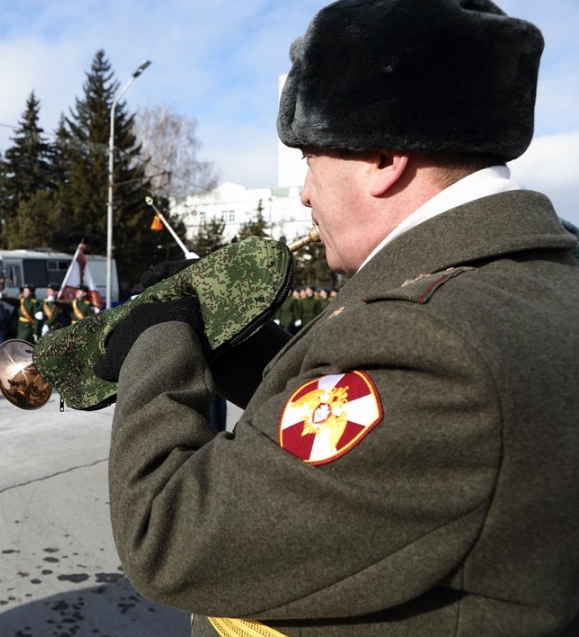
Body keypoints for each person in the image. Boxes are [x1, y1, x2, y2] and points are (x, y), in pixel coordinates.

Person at [98, 1, 579, 635]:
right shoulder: (532, 279)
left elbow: (170, 537)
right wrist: (252, 361)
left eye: (309, 158)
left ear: (383, 157)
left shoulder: (437, 348)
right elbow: (372, 464)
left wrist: (157, 343)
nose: (303, 190)